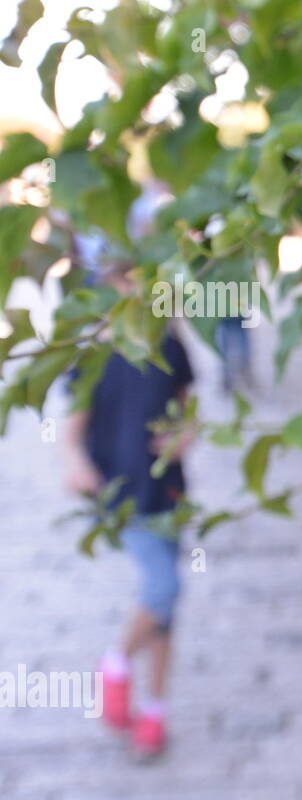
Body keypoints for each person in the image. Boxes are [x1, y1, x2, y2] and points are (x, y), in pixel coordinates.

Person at [62, 265, 196, 758]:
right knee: (163, 586)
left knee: (164, 610)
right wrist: (75, 464)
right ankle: (115, 667)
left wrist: (182, 437)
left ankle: (154, 713)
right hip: (122, 495)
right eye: (122, 285)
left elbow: (188, 414)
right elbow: (72, 431)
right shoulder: (94, 355)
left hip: (166, 491)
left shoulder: (172, 349)